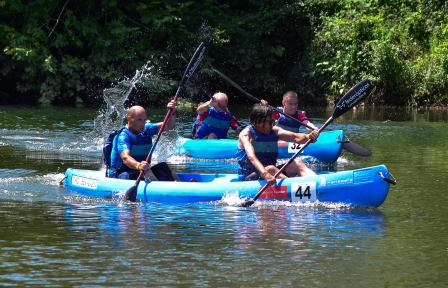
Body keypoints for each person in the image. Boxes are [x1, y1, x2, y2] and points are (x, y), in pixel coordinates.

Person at [237, 104, 319, 184]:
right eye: (267, 122)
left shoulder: (275, 131)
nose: (270, 125)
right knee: (271, 169)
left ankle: (317, 183)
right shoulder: (246, 134)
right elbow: (252, 157)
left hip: (273, 175)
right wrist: (265, 174)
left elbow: (296, 137)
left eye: (271, 122)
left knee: (297, 163)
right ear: (257, 122)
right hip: (249, 179)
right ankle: (295, 188)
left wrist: (309, 137)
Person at [108, 100, 176, 180]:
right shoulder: (123, 136)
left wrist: (172, 112)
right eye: (139, 120)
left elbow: (169, 126)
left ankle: (178, 186)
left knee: (163, 167)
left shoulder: (147, 129)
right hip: (121, 174)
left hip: (141, 171)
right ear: (129, 119)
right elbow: (125, 158)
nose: (143, 123)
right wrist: (138, 165)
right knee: (136, 175)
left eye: (144, 120)